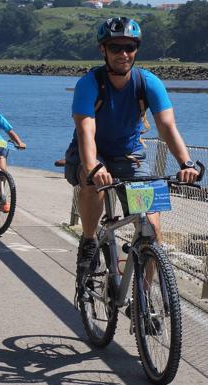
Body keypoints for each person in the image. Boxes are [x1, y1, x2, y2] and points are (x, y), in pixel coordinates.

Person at [64, 17, 199, 276]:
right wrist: (92, 166)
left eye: (130, 47)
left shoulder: (148, 82)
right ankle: (90, 241)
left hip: (130, 157)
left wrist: (186, 163)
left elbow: (167, 127)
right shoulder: (89, 84)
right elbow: (85, 130)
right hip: (94, 152)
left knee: (151, 229)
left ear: (136, 50)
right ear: (103, 50)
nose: (123, 54)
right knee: (93, 184)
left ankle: (143, 305)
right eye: (115, 48)